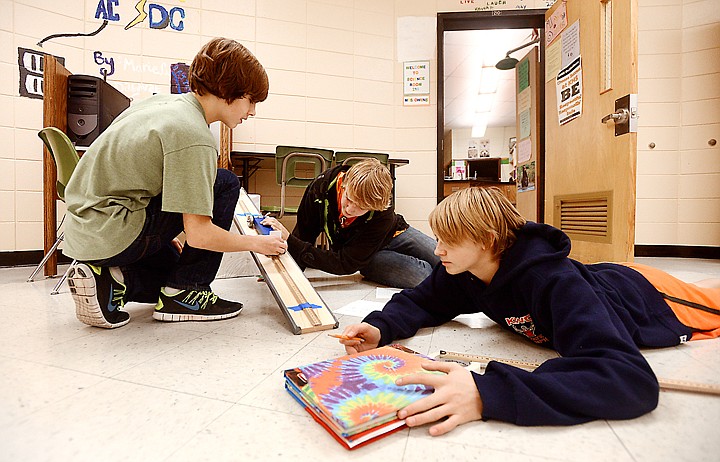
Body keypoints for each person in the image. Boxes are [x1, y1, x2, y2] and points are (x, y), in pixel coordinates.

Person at [338, 186, 720, 434]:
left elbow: (629, 381)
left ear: (487, 240)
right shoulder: (467, 270)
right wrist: (380, 328)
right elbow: (423, 300)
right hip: (603, 278)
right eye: (438, 239)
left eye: (449, 241)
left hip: (649, 294)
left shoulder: (550, 281)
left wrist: (488, 393)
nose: (437, 251)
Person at [63, 37, 287, 329]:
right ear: (229, 90)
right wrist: (258, 243)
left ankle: (111, 279)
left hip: (84, 231)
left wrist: (164, 233)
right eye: (251, 100)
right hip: (114, 231)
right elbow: (200, 237)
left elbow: (138, 179)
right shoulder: (194, 135)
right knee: (225, 182)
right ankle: (187, 293)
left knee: (169, 274)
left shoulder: (162, 104)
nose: (252, 111)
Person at [263, 158, 439, 289]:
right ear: (344, 182)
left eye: (361, 207)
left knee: (441, 257)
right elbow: (305, 235)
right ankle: (371, 265)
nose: (350, 209)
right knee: (424, 278)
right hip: (362, 253)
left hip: (395, 234)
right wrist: (285, 270)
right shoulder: (319, 189)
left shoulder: (382, 207)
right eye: (349, 199)